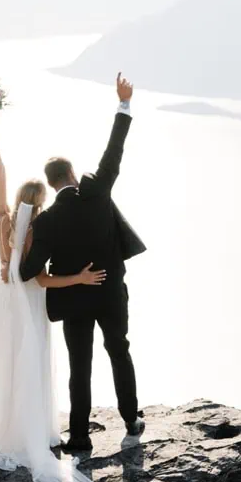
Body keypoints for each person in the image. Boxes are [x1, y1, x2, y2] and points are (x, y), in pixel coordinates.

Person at [0, 114, 134, 482]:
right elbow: (37, 276)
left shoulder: (10, 222)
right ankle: (105, 422)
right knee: (53, 360)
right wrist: (79, 277)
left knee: (19, 362)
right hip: (49, 299)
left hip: (8, 301)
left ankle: (38, 431)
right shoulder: (52, 220)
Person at [21, 73, 145, 453]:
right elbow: (114, 151)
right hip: (109, 290)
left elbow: (29, 273)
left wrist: (28, 240)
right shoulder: (97, 189)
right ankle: (130, 420)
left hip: (74, 299)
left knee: (80, 367)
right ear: (72, 174)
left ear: (51, 182)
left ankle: (79, 437)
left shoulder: (46, 221)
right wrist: (123, 103)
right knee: (119, 350)